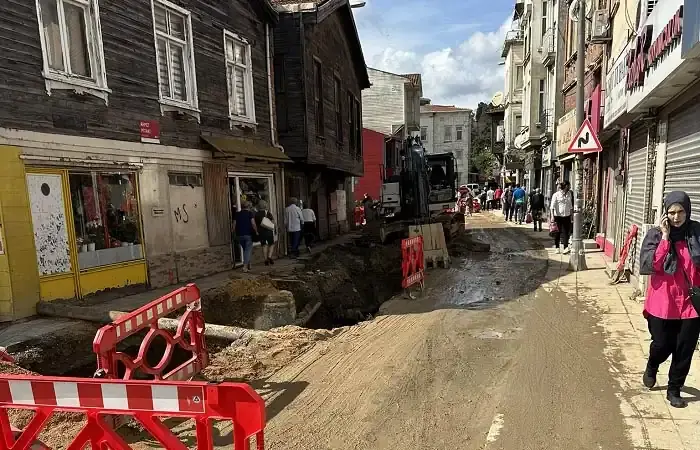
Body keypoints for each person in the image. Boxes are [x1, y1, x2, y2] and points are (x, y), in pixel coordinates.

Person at [639, 191, 700, 408]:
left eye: (681, 211)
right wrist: (665, 238)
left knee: (684, 349)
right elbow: (650, 266)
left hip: (690, 304)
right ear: (665, 214)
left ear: (687, 211)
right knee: (662, 344)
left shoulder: (696, 232)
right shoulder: (655, 236)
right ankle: (652, 365)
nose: (676, 217)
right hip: (662, 303)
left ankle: (674, 389)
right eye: (672, 212)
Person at [232, 201, 258, 272]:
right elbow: (253, 223)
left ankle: (249, 264)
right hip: (248, 234)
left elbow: (234, 225)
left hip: (239, 235)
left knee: (246, 250)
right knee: (247, 251)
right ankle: (245, 267)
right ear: (249, 207)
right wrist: (256, 231)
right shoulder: (250, 213)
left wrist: (233, 233)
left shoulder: (237, 214)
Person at [550, 182, 573, 254]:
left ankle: (566, 247)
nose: (570, 187)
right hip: (558, 216)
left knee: (566, 232)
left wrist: (571, 216)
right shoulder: (556, 195)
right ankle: (557, 247)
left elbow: (570, 206)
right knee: (558, 232)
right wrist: (552, 216)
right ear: (566, 186)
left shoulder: (569, 194)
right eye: (569, 186)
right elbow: (552, 207)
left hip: (567, 216)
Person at [254, 200, 275, 266]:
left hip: (261, 232)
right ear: (265, 205)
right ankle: (269, 256)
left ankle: (265, 259)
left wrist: (256, 231)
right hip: (269, 231)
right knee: (271, 244)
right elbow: (273, 222)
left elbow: (255, 223)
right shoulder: (268, 213)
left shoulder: (256, 214)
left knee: (264, 245)